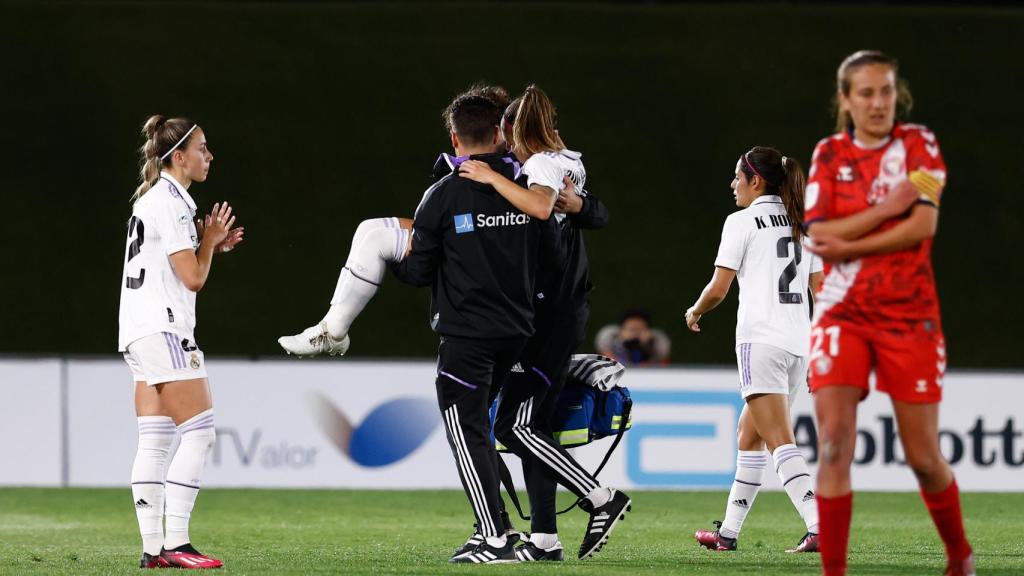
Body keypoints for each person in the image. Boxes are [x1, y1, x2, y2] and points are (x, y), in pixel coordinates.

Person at [802, 50, 973, 576]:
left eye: (886, 91)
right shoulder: (829, 154)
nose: (879, 103)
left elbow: (923, 228)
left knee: (922, 457)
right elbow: (817, 238)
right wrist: (889, 207)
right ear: (845, 99)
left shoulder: (920, 144)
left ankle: (959, 557)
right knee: (832, 444)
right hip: (841, 313)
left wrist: (851, 233)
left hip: (909, 316)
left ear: (897, 94)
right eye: (866, 93)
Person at [459, 86, 630, 562]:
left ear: (512, 130)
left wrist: (490, 181)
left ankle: (601, 498)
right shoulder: (566, 161)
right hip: (557, 309)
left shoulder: (540, 167)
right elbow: (588, 213)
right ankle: (545, 540)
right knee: (534, 424)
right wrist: (581, 207)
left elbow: (537, 207)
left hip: (549, 315)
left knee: (514, 426)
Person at [683, 146, 823, 554]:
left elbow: (718, 288)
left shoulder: (741, 221)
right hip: (798, 344)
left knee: (779, 438)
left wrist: (694, 311)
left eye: (737, 177)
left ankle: (819, 524)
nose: (733, 184)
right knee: (749, 435)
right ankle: (728, 533)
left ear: (755, 180)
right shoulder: (803, 224)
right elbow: (820, 291)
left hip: (761, 341)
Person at [118, 115, 243, 569]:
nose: (208, 156)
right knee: (201, 433)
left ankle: (153, 550)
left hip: (136, 329)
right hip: (164, 328)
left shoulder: (156, 199)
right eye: (202, 148)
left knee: (153, 442)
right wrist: (208, 242)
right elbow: (192, 278)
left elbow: (176, 266)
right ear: (178, 157)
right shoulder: (171, 202)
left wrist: (212, 245)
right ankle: (177, 542)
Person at [595, 309, 671, 366]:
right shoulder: (612, 343)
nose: (635, 334)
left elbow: (661, 366)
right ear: (621, 331)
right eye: (631, 329)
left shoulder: (654, 346)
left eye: (639, 330)